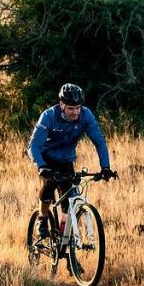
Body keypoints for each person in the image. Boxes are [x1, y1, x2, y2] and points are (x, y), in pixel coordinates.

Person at [28, 83, 114, 237]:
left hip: (66, 159)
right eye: (70, 108)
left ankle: (65, 242)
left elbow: (99, 142)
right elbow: (33, 146)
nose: (75, 112)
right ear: (62, 105)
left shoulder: (86, 115)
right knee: (49, 186)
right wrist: (41, 166)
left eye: (77, 108)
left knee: (69, 201)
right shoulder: (48, 116)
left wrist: (105, 167)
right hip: (47, 158)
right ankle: (42, 218)